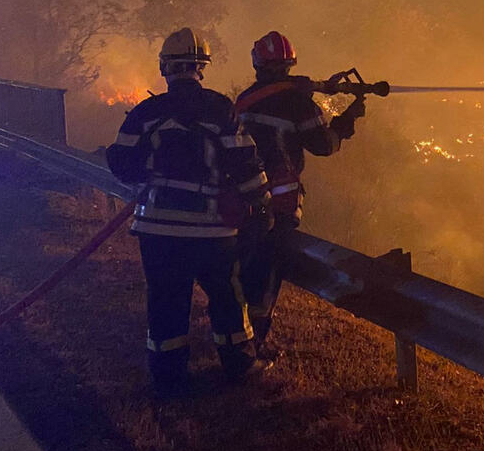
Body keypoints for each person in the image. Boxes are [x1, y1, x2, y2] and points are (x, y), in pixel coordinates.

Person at [106, 27, 272, 398]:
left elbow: (120, 162)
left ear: (165, 67)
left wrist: (150, 178)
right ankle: (240, 367)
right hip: (213, 232)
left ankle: (169, 378)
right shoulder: (220, 109)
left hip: (158, 229)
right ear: (202, 68)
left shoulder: (147, 112)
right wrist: (260, 205)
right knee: (228, 298)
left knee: (166, 300)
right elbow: (247, 163)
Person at [236, 31, 365, 356]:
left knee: (241, 264)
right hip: (278, 201)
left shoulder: (245, 99)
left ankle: (233, 331)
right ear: (290, 64)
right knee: (268, 268)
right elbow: (323, 145)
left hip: (239, 199)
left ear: (257, 64)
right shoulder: (298, 102)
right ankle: (254, 342)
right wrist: (347, 120)